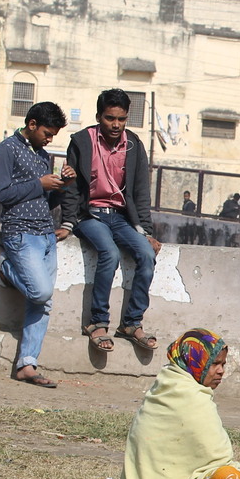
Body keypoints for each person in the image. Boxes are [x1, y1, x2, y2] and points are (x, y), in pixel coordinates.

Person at [114, 329, 240, 479]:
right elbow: (219, 457)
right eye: (215, 364)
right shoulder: (191, 399)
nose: (221, 371)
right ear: (194, 362)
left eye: (223, 364)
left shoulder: (163, 388)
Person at [58, 87, 163, 355]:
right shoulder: (81, 141)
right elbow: (71, 186)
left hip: (121, 218)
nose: (116, 125)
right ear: (98, 116)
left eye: (121, 119)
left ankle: (131, 323)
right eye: (109, 118)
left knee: (146, 254)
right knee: (109, 253)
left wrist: (146, 232)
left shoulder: (134, 144)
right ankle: (97, 322)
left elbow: (140, 192)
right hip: (90, 215)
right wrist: (68, 223)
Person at [0, 101, 71, 388]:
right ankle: (3, 263)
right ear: (32, 124)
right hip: (20, 234)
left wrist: (62, 185)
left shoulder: (42, 155)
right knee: (39, 293)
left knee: (44, 302)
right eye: (47, 133)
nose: (49, 139)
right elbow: (0, 193)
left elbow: (45, 203)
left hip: (45, 234)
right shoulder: (6, 149)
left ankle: (27, 363)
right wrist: (40, 184)